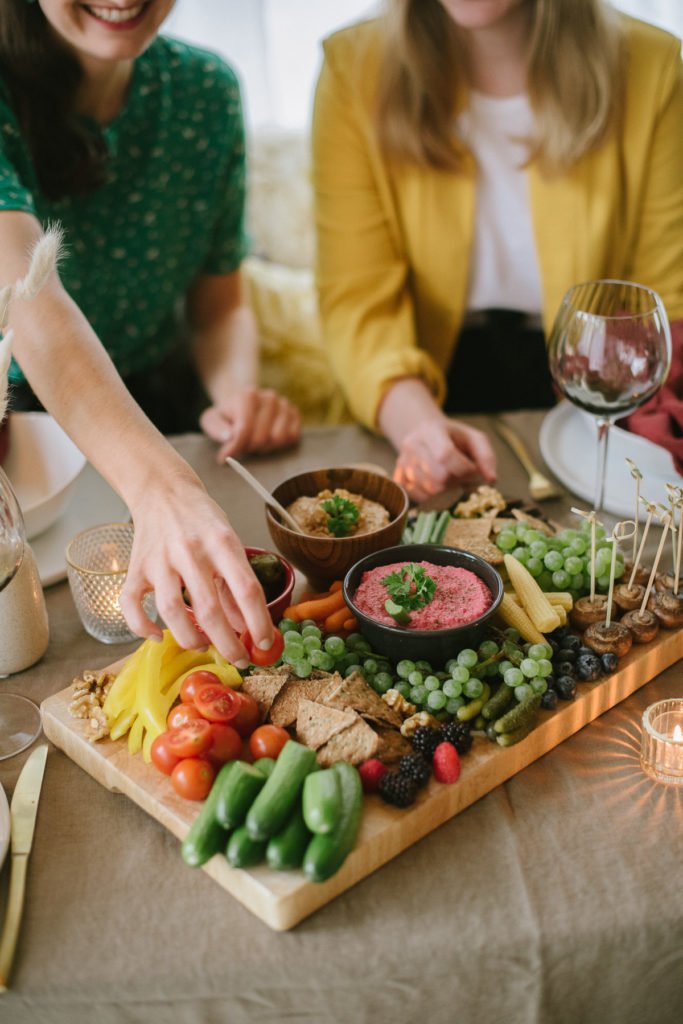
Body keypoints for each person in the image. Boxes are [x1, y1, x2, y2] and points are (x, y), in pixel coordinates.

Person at [0, 0, 298, 661]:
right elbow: (28, 296)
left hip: (164, 408)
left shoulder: (206, 90)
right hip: (23, 440)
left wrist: (233, 393)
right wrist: (165, 489)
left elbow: (219, 303)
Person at [312, 0, 683, 502]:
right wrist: (417, 426)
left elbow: (664, 304)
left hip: (592, 388)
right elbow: (357, 300)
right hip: (412, 390)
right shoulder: (353, 67)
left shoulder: (653, 66)